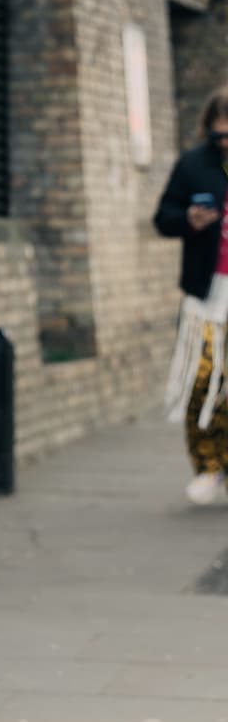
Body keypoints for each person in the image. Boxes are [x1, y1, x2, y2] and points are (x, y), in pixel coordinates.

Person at [154, 87, 228, 505]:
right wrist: (190, 219)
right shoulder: (193, 165)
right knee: (203, 381)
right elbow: (162, 218)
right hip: (207, 293)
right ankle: (208, 466)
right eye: (221, 136)